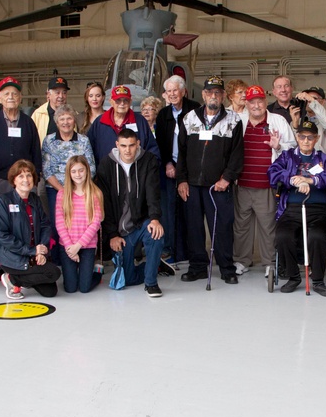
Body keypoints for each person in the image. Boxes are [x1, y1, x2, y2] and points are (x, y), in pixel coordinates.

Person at [177, 75, 244, 284]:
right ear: (203, 95)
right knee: (194, 227)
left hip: (218, 185)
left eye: (217, 92)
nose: (213, 96)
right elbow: (181, 152)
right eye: (209, 92)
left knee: (222, 227)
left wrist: (227, 178)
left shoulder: (234, 120)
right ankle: (197, 267)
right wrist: (181, 180)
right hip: (192, 185)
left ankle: (226, 268)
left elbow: (237, 155)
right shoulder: (189, 118)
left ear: (223, 96)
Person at [0, 76, 43, 281]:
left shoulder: (28, 122)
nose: (11, 97)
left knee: (25, 222)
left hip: (23, 181)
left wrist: (35, 177)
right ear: (0, 98)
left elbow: (36, 150)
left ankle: (26, 260)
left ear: (21, 97)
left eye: (14, 93)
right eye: (6, 94)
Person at [268, 120, 326, 296]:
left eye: (310, 137)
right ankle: (293, 276)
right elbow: (272, 173)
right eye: (302, 137)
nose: (306, 141)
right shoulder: (287, 156)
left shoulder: (324, 159)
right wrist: (293, 179)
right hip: (292, 208)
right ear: (297, 137)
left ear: (316, 138)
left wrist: (311, 180)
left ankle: (317, 280)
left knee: (317, 236)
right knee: (283, 236)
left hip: (319, 210)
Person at [233, 84, 296, 277]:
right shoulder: (238, 121)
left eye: (259, 101)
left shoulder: (278, 121)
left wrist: (278, 146)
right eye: (252, 102)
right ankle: (241, 260)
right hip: (242, 184)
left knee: (268, 226)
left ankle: (270, 262)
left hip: (266, 185)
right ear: (246, 103)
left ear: (265, 101)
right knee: (241, 226)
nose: (256, 105)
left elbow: (293, 149)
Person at [95, 129, 166, 297]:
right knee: (127, 278)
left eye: (132, 145)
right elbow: (105, 203)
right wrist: (112, 234)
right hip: (120, 231)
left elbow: (153, 192)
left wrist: (155, 219)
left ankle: (151, 283)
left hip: (141, 222)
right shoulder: (106, 164)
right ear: (117, 145)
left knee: (155, 234)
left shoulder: (148, 160)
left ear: (138, 144)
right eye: (123, 146)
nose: (127, 150)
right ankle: (155, 266)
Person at [0, 160, 61, 300]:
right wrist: (32, 251)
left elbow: (45, 225)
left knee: (50, 291)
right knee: (54, 273)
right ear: (14, 180)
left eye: (29, 175)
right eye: (21, 176)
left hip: (33, 253)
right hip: (11, 256)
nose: (26, 180)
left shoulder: (35, 199)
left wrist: (41, 249)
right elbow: (3, 236)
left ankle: (16, 279)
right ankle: (12, 279)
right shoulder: (3, 201)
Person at [155, 75, 198, 263]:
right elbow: (160, 143)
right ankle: (172, 251)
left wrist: (183, 170)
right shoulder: (163, 114)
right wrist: (168, 164)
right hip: (169, 169)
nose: (172, 94)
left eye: (175, 90)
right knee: (169, 212)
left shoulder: (195, 109)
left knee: (190, 212)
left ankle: (190, 252)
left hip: (191, 170)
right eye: (169, 91)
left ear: (183, 91)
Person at [55, 156, 104, 294]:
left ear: (87, 171)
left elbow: (96, 223)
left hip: (87, 245)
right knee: (70, 288)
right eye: (74, 171)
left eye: (81, 170)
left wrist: (78, 246)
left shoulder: (95, 193)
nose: (78, 174)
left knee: (84, 288)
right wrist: (70, 247)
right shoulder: (62, 194)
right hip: (67, 245)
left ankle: (96, 273)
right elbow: (59, 223)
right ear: (69, 174)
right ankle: (74, 274)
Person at [42, 106, 96, 220]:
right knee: (57, 223)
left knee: (79, 221)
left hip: (80, 189)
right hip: (55, 190)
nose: (65, 122)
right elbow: (46, 170)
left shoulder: (83, 140)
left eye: (69, 118)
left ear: (74, 121)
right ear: (57, 122)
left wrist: (76, 189)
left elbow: (91, 168)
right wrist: (63, 191)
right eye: (62, 119)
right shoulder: (48, 141)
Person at [87, 85, 159, 163]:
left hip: (136, 169)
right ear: (111, 102)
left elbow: (152, 150)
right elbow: (89, 150)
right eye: (118, 100)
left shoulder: (140, 121)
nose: (122, 103)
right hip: (106, 170)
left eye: (126, 100)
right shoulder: (100, 122)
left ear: (130, 102)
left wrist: (149, 168)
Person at [295, 86, 326, 152]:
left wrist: (312, 102)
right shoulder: (299, 120)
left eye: (314, 98)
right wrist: (295, 124)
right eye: (306, 98)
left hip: (322, 158)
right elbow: (293, 145)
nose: (309, 101)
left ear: (322, 102)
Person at [32, 76, 70, 147]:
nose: (61, 96)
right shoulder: (38, 115)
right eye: (57, 93)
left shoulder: (72, 115)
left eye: (64, 93)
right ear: (49, 95)